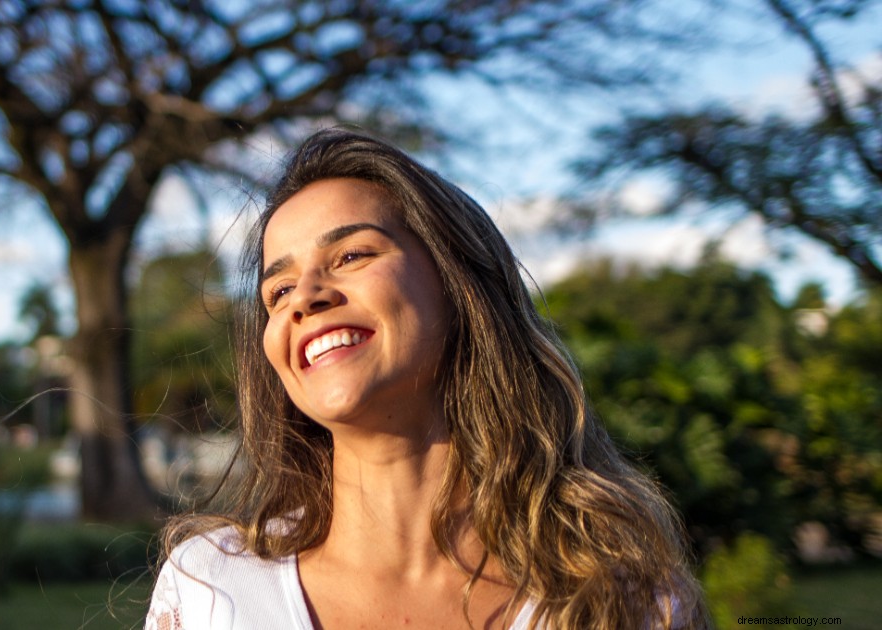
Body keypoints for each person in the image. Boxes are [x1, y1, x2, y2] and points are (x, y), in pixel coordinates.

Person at [145, 128, 708, 629]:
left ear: (457, 285)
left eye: (352, 255)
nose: (306, 299)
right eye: (279, 290)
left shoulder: (615, 601)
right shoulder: (210, 591)